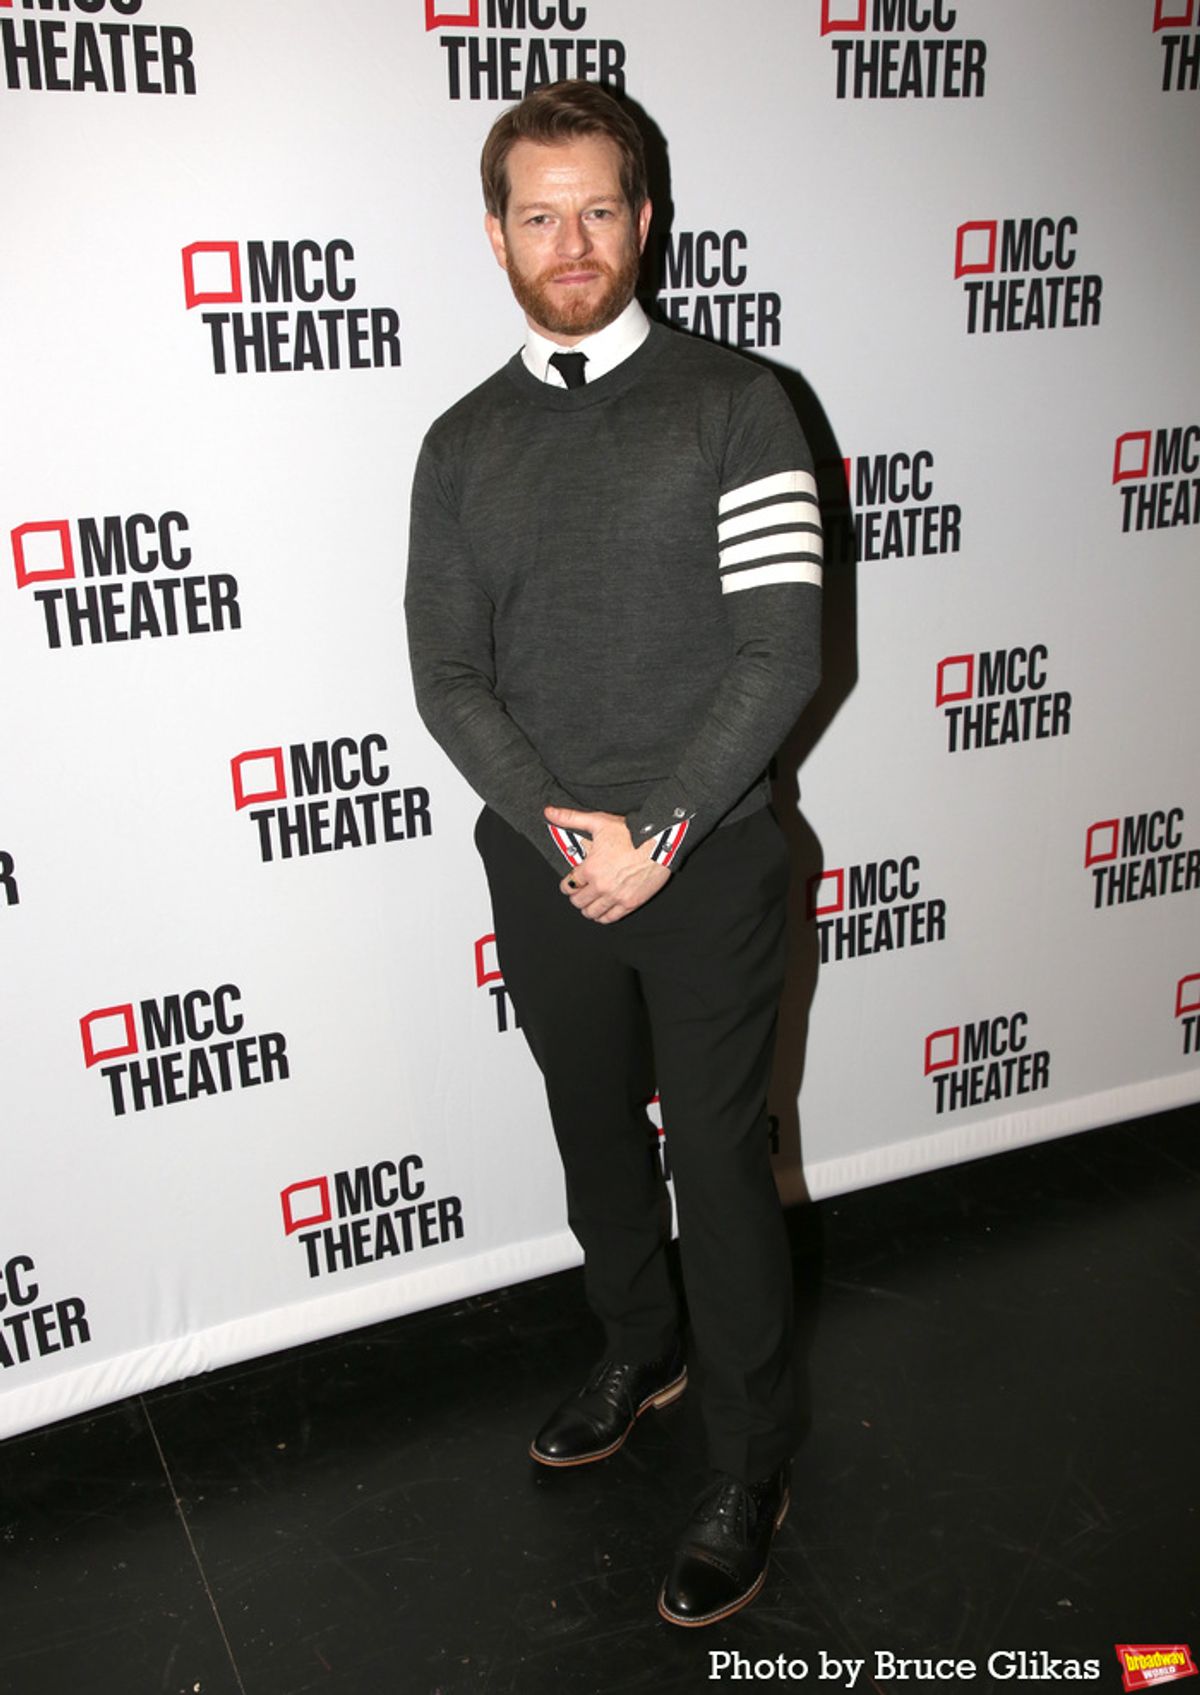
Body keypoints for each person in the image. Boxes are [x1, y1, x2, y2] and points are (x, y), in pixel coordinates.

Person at [405, 79, 822, 1627]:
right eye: (540, 215)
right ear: (497, 234)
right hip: (544, 861)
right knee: (593, 1129)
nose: (569, 241)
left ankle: (750, 1463)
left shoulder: (740, 402)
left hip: (708, 862)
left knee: (716, 1160)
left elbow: (780, 655)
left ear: (644, 220)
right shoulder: (460, 444)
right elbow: (448, 674)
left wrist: (660, 832)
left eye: (597, 210)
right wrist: (556, 826)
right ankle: (639, 1350)